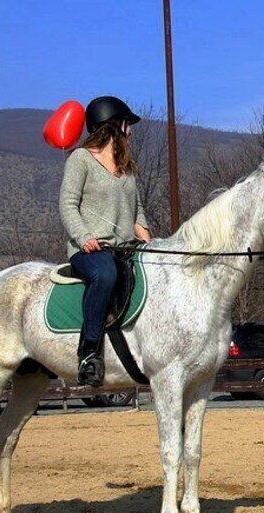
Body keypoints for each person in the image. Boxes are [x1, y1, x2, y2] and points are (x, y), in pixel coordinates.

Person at [59, 96, 151, 386]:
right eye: (128, 125)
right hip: (91, 250)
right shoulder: (80, 160)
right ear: (114, 126)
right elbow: (67, 204)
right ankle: (88, 354)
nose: (131, 131)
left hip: (125, 249)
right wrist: (84, 237)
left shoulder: (127, 168)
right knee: (105, 274)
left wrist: (147, 236)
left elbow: (137, 211)